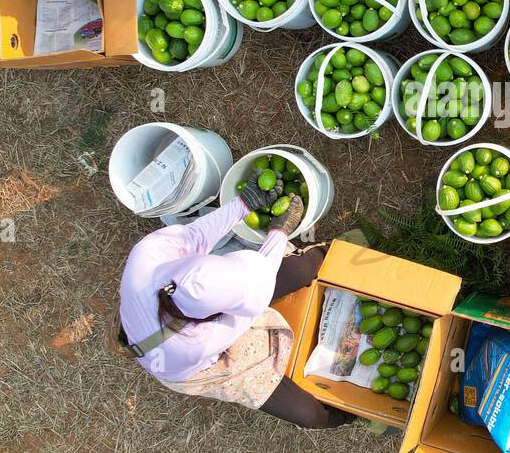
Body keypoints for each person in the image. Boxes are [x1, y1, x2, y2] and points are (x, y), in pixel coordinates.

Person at [117, 171, 353, 429]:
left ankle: (330, 252)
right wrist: (277, 233)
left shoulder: (149, 254)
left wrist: (244, 203)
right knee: (308, 415)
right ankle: (345, 416)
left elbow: (196, 235)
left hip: (164, 322)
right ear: (220, 311)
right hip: (193, 362)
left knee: (299, 269)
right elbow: (252, 305)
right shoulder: (197, 343)